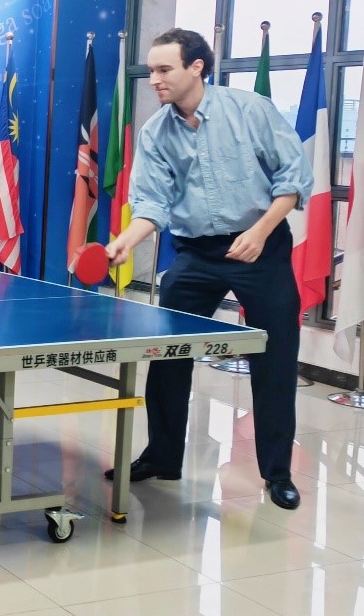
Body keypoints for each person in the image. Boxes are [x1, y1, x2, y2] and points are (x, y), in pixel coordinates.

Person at [103, 27, 312, 510]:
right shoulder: (155, 133)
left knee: (275, 360)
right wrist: (124, 242)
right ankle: (162, 456)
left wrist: (260, 232)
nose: (154, 79)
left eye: (164, 69)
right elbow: (152, 204)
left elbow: (293, 179)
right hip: (197, 254)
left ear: (196, 67)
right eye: (151, 70)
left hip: (261, 246)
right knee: (167, 352)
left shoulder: (250, 110)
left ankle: (277, 473)